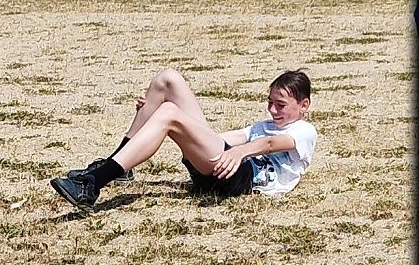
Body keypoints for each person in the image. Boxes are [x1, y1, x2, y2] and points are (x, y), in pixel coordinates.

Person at [48, 68, 316, 212]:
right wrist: (153, 118)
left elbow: (271, 145)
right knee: (168, 80)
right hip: (222, 165)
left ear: (304, 105)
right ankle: (120, 167)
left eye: (280, 105)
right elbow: (220, 138)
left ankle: (92, 184)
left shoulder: (304, 131)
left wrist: (239, 152)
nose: (272, 110)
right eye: (270, 102)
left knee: (169, 112)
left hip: (240, 179)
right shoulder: (263, 126)